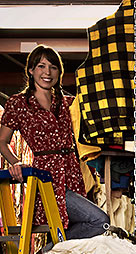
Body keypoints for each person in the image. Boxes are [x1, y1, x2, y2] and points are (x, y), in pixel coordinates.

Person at [0, 45, 108, 241]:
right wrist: (15, 162)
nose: (47, 72)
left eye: (53, 67)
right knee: (100, 221)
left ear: (59, 72)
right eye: (41, 66)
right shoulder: (18, 103)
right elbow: (2, 141)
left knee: (66, 229)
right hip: (45, 179)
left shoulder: (70, 103)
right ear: (31, 70)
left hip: (73, 173)